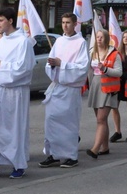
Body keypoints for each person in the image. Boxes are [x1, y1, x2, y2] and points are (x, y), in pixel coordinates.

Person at [0, 8, 35, 179]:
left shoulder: (23, 42)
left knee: (14, 128)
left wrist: (1, 65)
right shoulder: (2, 41)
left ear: (11, 21)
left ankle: (18, 164)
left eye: (1, 20)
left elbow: (24, 67)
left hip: (15, 92)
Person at [39, 13, 90, 169]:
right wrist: (53, 64)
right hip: (57, 87)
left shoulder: (81, 43)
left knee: (68, 123)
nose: (65, 25)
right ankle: (53, 154)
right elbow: (50, 63)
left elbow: (82, 68)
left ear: (75, 24)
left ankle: (70, 156)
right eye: (62, 22)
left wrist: (63, 64)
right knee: (51, 121)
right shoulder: (59, 41)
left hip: (70, 89)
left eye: (68, 22)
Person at [86, 29, 122, 157]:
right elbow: (89, 70)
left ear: (106, 39)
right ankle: (105, 147)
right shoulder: (92, 53)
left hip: (108, 89)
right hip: (96, 86)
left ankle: (95, 149)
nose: (99, 39)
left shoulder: (114, 54)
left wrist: (105, 69)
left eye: (101, 37)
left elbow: (119, 72)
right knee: (101, 120)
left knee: (101, 119)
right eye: (97, 37)